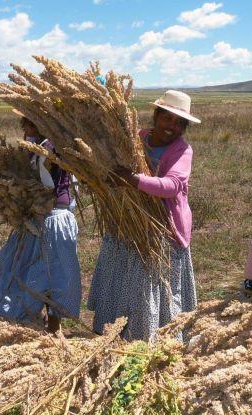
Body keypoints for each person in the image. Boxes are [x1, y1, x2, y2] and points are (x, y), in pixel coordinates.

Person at [88, 90, 199, 341]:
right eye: (168, 118)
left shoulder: (182, 150)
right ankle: (112, 333)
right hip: (127, 223)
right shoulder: (137, 138)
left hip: (162, 228)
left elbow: (172, 186)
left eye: (180, 123)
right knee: (121, 277)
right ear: (156, 115)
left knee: (145, 285)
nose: (173, 126)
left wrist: (133, 180)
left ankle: (150, 337)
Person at [0, 111, 81, 332]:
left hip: (53, 221)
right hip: (34, 221)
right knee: (26, 269)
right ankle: (30, 318)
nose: (24, 127)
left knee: (55, 275)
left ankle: (53, 326)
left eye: (29, 122)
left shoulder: (53, 146)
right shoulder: (33, 145)